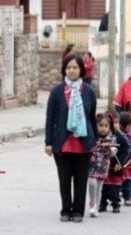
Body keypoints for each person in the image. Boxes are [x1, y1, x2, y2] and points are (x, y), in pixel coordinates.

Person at [44, 53, 98, 222]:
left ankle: (78, 211)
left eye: (75, 67)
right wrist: (48, 142)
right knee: (65, 179)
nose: (72, 70)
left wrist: (94, 141)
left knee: (81, 180)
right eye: (69, 67)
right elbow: (50, 118)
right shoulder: (57, 92)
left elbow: (91, 117)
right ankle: (66, 209)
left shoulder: (88, 91)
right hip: (63, 143)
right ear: (64, 70)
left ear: (81, 69)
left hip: (83, 144)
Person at [99, 111, 131, 213]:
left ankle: (115, 204)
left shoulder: (119, 136)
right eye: (101, 125)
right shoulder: (99, 135)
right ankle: (102, 204)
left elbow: (126, 149)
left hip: (116, 167)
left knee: (115, 188)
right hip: (102, 166)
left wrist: (120, 163)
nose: (104, 128)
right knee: (103, 187)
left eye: (117, 122)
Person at [87, 113, 116, 217]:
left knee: (99, 187)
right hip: (91, 165)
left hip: (103, 166)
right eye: (100, 125)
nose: (103, 128)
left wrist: (109, 149)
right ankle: (92, 203)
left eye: (106, 126)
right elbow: (87, 148)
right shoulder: (92, 136)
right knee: (92, 183)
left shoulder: (111, 138)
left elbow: (113, 153)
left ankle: (96, 206)